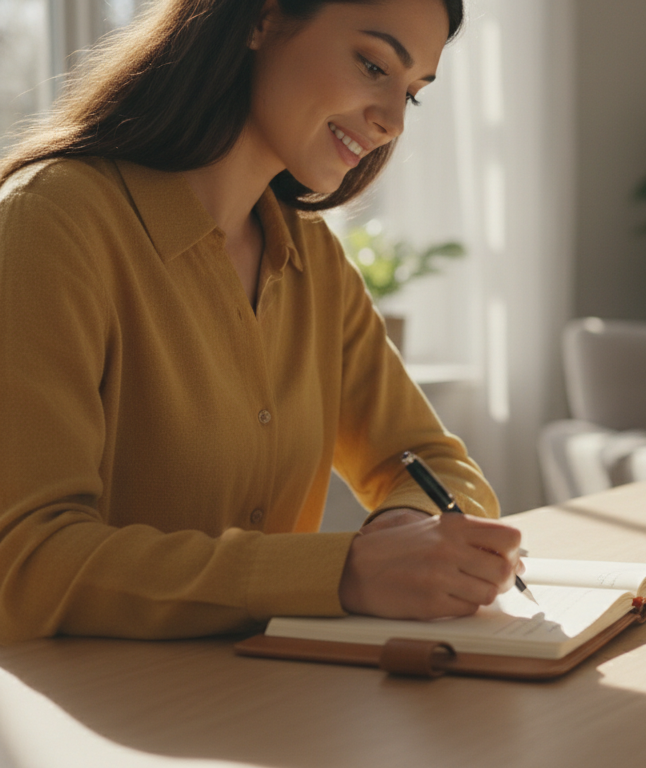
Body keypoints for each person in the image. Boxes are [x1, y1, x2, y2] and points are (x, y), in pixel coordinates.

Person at [0, 0, 523, 642]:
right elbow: (26, 561)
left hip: (269, 699)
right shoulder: (50, 225)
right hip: (88, 721)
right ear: (262, 19)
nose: (391, 122)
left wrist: (403, 532)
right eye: (372, 64)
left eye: (411, 95)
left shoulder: (314, 259)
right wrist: (343, 573)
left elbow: (434, 462)